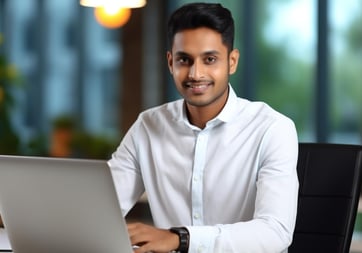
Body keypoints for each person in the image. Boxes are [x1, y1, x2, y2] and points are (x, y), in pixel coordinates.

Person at [108, 2, 299, 253]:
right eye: (184, 60)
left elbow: (275, 232)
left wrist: (181, 238)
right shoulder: (148, 126)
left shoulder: (273, 129)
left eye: (210, 59)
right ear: (170, 63)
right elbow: (102, 207)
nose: (195, 73)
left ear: (232, 61)